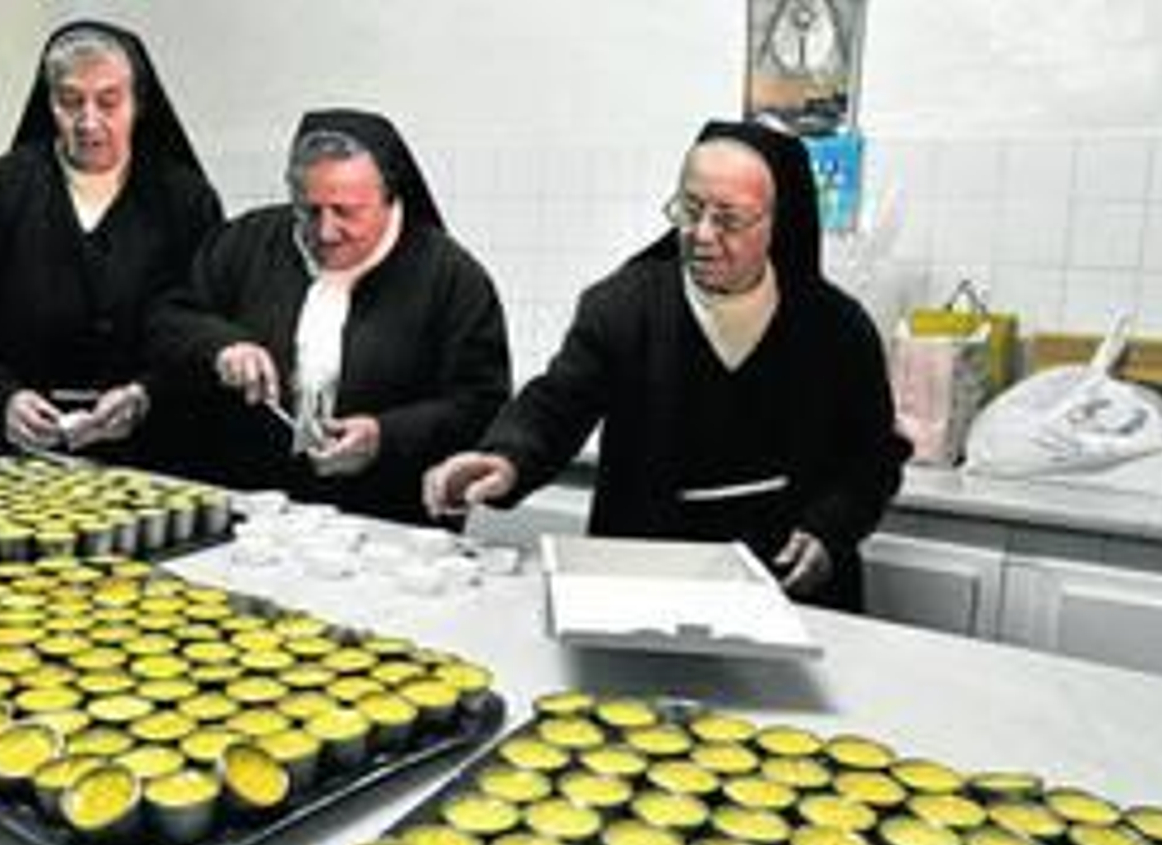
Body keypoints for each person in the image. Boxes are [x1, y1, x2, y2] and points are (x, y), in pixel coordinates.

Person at [424, 120, 909, 611]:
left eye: (729, 219)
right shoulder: (625, 307)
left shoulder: (836, 328)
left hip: (788, 591)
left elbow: (873, 457)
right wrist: (506, 457)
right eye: (690, 210)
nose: (702, 235)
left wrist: (830, 528)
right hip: (646, 581)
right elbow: (557, 402)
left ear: (777, 221)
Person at [151, 108, 510, 525]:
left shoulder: (450, 277)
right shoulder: (247, 240)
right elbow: (169, 319)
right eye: (309, 210)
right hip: (247, 509)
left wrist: (384, 435)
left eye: (346, 211)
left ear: (389, 197)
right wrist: (222, 345)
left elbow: (480, 404)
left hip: (385, 521)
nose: (325, 232)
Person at [0, 21, 222, 461]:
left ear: (138, 104)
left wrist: (145, 394)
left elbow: (209, 337)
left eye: (108, 101)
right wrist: (2, 399)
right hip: (19, 461)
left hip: (148, 459)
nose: (88, 121)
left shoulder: (186, 202)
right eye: (71, 101)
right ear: (49, 103)